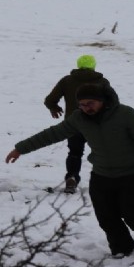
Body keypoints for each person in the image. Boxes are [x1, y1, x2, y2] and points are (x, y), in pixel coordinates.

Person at [6, 83, 134, 259]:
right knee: (106, 217)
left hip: (130, 174)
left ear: (102, 100)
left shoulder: (125, 114)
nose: (86, 108)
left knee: (131, 213)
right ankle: (123, 250)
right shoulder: (79, 118)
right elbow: (52, 134)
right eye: (82, 104)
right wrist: (21, 149)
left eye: (90, 103)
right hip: (101, 175)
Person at [44, 54, 111, 194]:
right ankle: (105, 181)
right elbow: (111, 103)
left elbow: (50, 100)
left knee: (75, 153)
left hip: (73, 124)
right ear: (94, 66)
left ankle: (72, 177)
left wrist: (54, 109)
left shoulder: (67, 81)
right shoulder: (102, 82)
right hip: (97, 124)